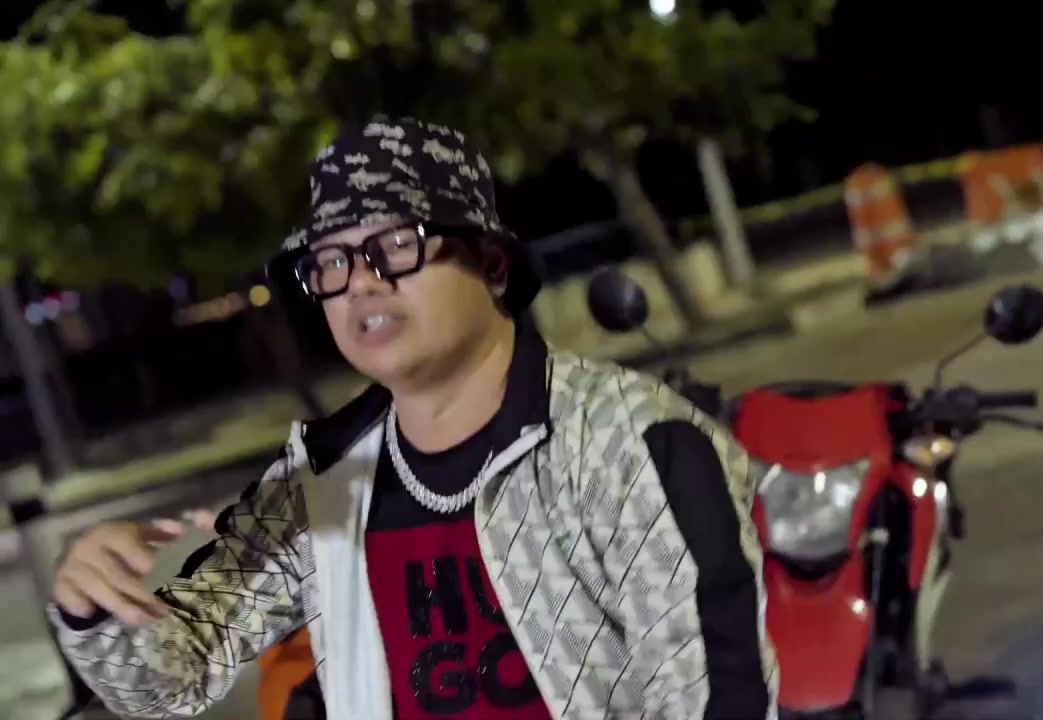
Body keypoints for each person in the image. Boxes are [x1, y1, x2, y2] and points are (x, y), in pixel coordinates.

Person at [48, 117, 777, 720]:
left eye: (396, 246)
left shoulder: (632, 444)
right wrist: (92, 604)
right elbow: (173, 678)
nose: (360, 283)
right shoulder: (322, 483)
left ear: (492, 265)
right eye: (331, 263)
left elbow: (716, 697)